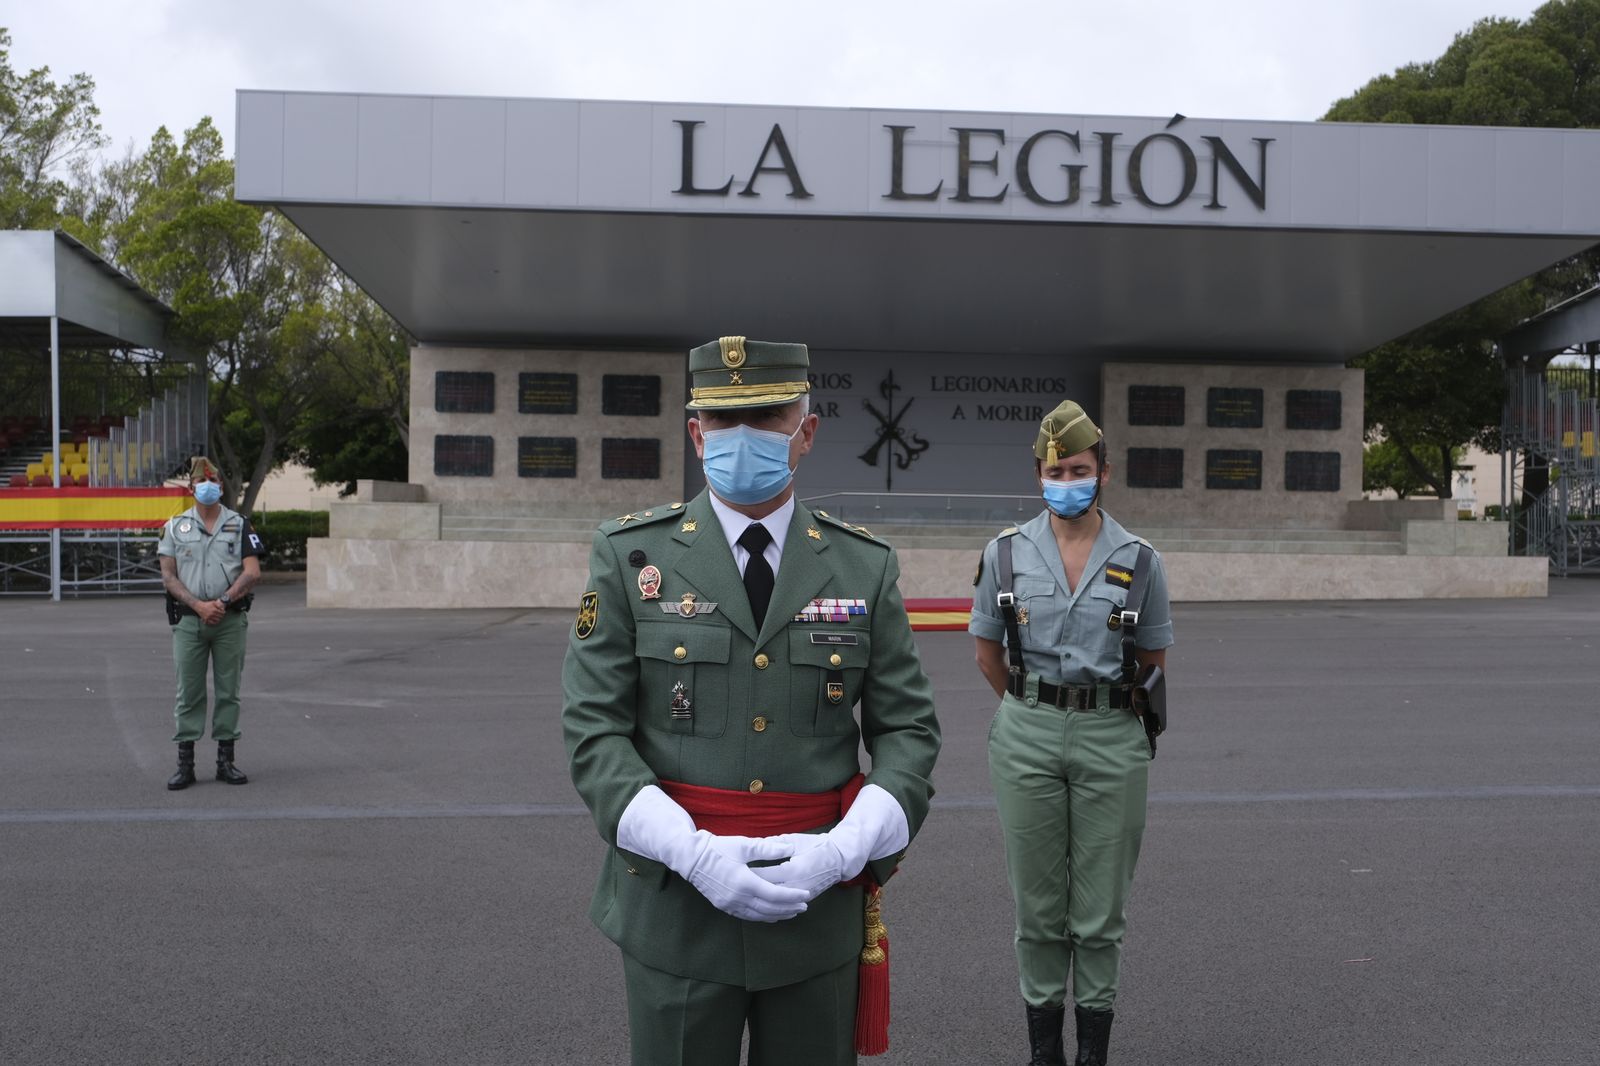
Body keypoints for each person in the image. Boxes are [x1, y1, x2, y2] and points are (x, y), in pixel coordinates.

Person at [562, 336, 942, 1066]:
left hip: (815, 909)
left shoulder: (864, 566)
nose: (744, 439)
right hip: (676, 908)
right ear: (697, 435)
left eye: (767, 418)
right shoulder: (629, 556)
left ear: (807, 433)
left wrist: (842, 854)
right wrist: (692, 853)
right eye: (724, 421)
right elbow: (593, 733)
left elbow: (910, 733)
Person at [968, 401, 1174, 1066]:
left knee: (1100, 909)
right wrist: (1037, 708)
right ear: (1039, 475)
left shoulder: (1141, 560)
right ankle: (1043, 1053)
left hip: (1112, 733)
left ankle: (1091, 1053)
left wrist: (1085, 709)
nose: (1067, 479)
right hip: (1026, 730)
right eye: (1056, 470)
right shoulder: (1005, 554)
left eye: (1079, 469)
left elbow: (1152, 661)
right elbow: (987, 654)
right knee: (1037, 905)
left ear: (1103, 473)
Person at [157, 456, 263, 790]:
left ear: (221, 486)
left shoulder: (240, 524)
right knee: (188, 692)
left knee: (229, 690)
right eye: (202, 482)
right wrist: (199, 606)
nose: (209, 487)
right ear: (191, 488)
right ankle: (185, 764)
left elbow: (252, 571)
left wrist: (222, 602)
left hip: (229, 619)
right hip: (190, 621)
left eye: (214, 482)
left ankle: (225, 761)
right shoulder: (174, 527)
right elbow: (168, 576)